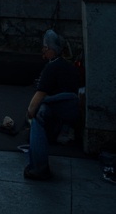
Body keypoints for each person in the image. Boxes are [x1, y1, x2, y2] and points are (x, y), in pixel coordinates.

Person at [24, 29, 81, 181]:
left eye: (45, 47)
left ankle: (38, 168)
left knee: (37, 116)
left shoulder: (51, 67)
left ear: (51, 50)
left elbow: (39, 96)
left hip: (62, 109)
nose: (43, 50)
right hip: (73, 110)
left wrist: (30, 113)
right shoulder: (70, 66)